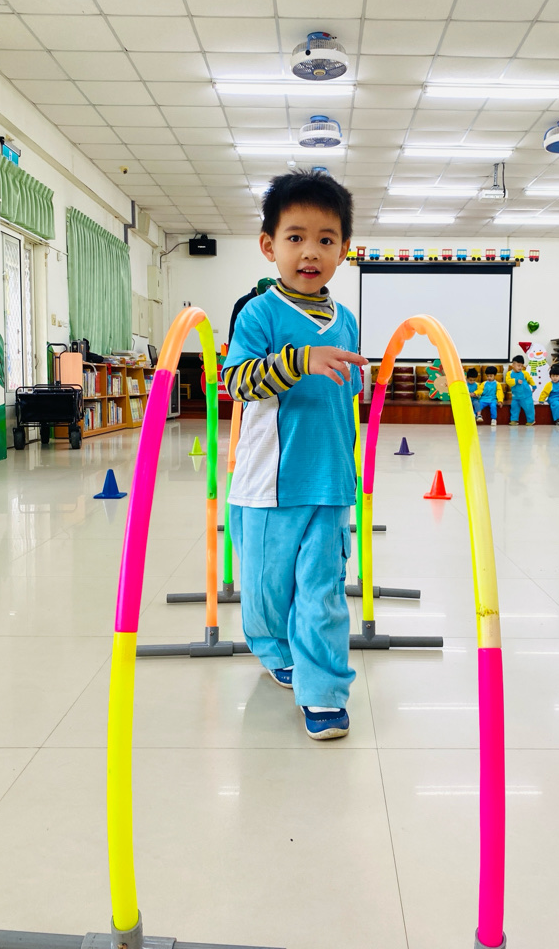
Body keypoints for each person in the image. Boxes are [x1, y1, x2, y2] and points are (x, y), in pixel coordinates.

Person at [222, 170, 368, 741]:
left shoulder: (346, 320)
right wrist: (301, 360)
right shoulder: (258, 314)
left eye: (326, 239)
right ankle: (274, 649)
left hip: (329, 482)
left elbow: (345, 393)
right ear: (269, 245)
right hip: (267, 485)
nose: (311, 251)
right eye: (296, 237)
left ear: (343, 250)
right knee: (265, 592)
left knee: (323, 592)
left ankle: (324, 691)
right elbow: (236, 381)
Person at [227, 276, 277, 343]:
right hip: (247, 342)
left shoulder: (275, 301)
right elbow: (234, 329)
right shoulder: (243, 303)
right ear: (257, 291)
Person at [505, 354, 536, 425]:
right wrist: (516, 381)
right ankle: (514, 420)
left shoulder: (524, 373)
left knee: (529, 407)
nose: (520, 367)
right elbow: (508, 381)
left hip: (526, 395)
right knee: (514, 408)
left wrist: (533, 385)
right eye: (518, 365)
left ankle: (531, 420)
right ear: (513, 365)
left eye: (521, 366)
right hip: (515, 396)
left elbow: (530, 379)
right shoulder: (509, 374)